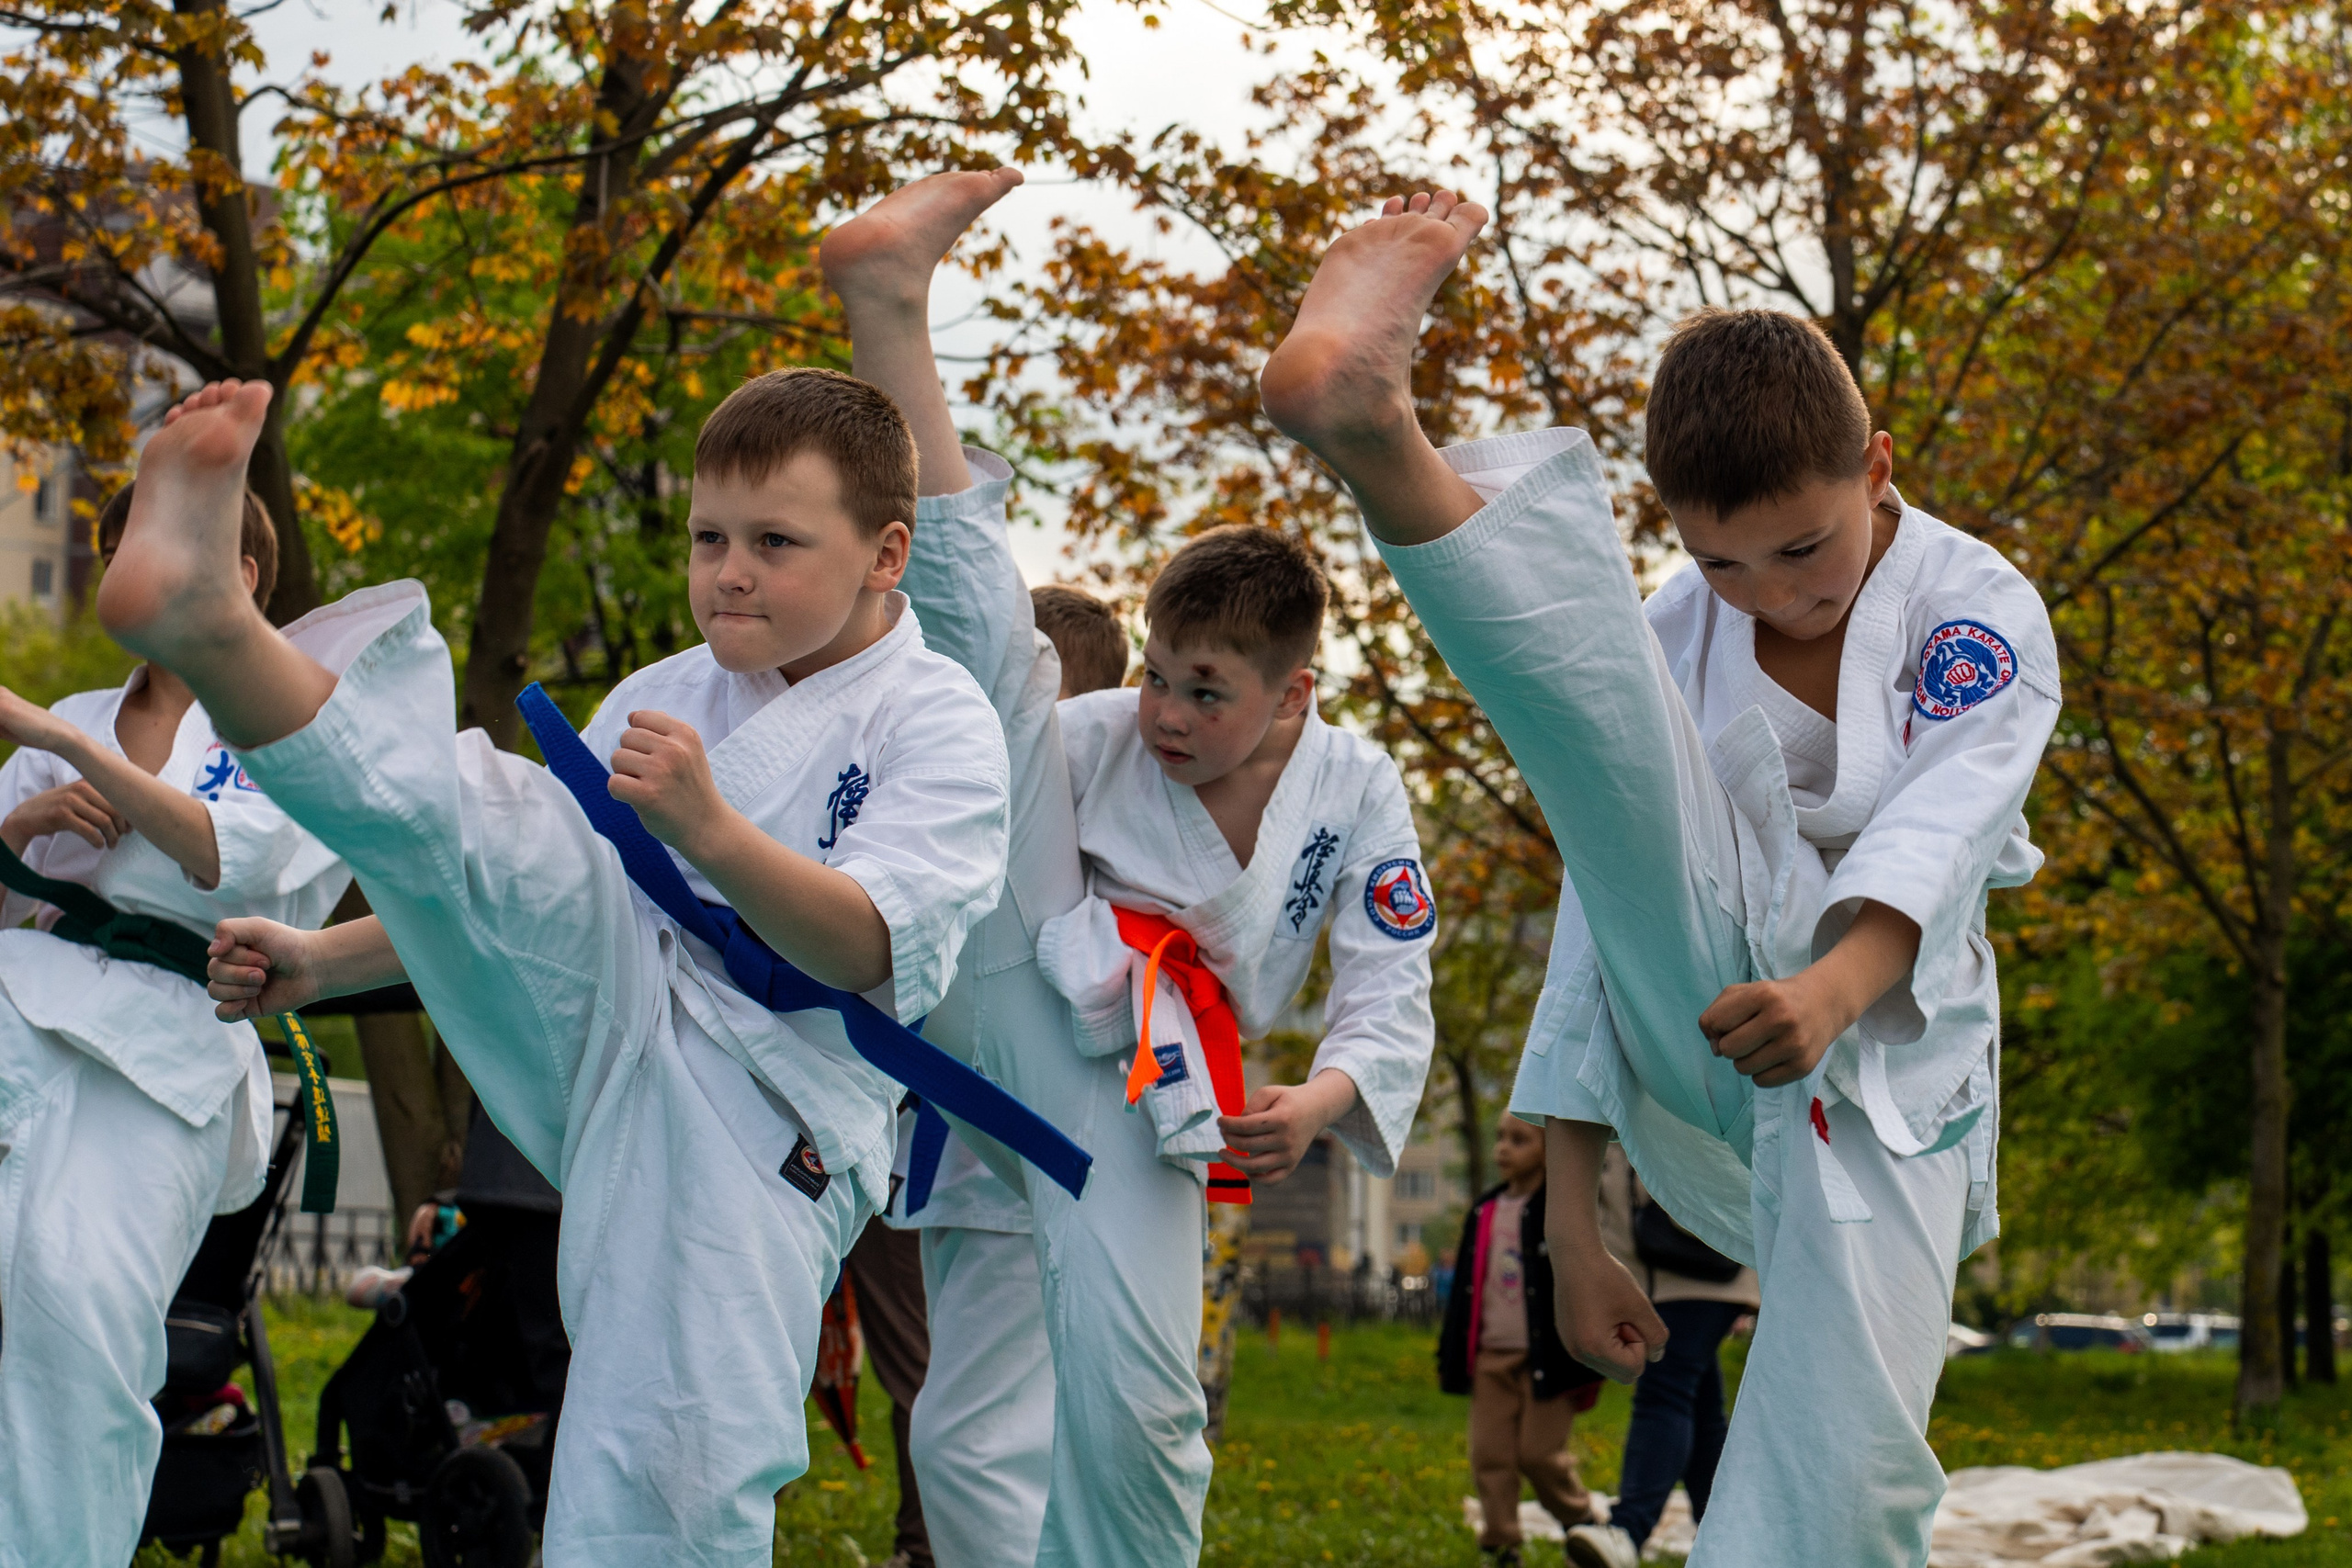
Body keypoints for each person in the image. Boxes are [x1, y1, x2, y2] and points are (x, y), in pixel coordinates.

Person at [1260, 191, 2058, 1568]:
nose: (1767, 592)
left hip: (1886, 1062)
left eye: (1801, 546)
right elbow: (1603, 902)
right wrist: (1571, 1213)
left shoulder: (1976, 611)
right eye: (1718, 558)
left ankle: (1376, 430)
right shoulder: (1677, 623)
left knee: (1842, 1452)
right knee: (1597, 726)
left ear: (1877, 465)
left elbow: (1946, 825)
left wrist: (1832, 984)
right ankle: (1373, 429)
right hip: (1704, 1009)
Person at [118, 367, 1014, 1566]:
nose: (728, 569)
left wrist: (711, 831)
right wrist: (322, 961)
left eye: (774, 540)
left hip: (759, 1119)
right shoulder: (668, 688)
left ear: (885, 551)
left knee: (672, 1453)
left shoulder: (936, 717)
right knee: (489, 811)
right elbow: (517, 889)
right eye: (708, 536)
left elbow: (867, 944)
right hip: (610, 1030)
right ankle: (220, 632)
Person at [820, 167, 1439, 1568]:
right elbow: (987, 713)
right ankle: (888, 304)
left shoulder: (1357, 787)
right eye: (1157, 671)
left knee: (1083, 1412)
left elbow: (1390, 985)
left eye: (1205, 692)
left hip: (1139, 1096)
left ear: (1292, 695)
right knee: (989, 659)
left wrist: (1326, 1092)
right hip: (1025, 980)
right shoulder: (1090, 735)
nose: (1162, 711)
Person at [0, 485, 351, 1568]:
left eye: (156, 551)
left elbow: (227, 859)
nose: (130, 576)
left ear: (241, 577)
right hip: (23, 998)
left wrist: (64, 744)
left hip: (167, 1049)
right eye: (118, 554)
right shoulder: (71, 724)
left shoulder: (289, 739)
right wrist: (24, 817)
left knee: (75, 1317)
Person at [1578, 1143, 1759, 1562]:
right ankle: (1734, 1541)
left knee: (1665, 1389)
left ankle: (1627, 1530)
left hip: (1698, 1268)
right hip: (1663, 1271)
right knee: (1700, 1409)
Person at [1437, 1113, 1602, 1566]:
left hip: (1549, 1357)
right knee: (1490, 1454)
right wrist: (1453, 1354)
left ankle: (1582, 1523)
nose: (1503, 1150)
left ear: (1551, 1149)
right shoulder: (1484, 1210)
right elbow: (1466, 1290)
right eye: (1499, 1138)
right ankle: (1502, 1542)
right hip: (1491, 1355)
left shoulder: (1562, 1211)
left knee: (1539, 1454)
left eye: (1519, 1140)